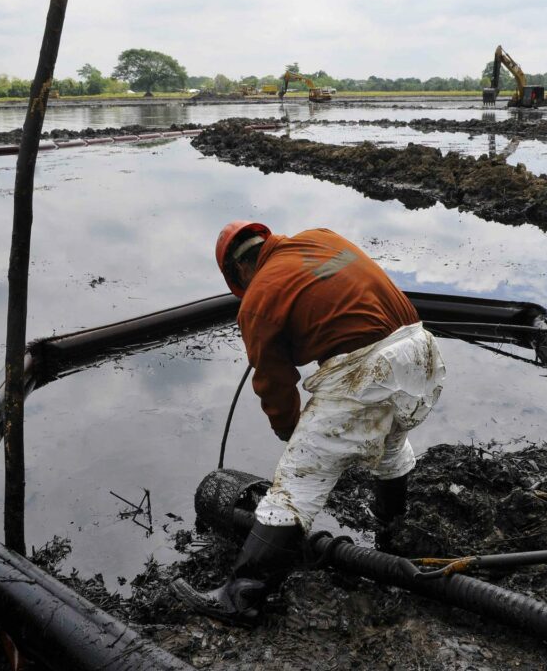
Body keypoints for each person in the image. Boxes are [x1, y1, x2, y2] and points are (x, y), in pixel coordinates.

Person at [172, 222, 445, 626]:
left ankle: (239, 598)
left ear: (238, 271)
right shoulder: (321, 238)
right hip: (422, 354)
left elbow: (274, 384)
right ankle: (392, 534)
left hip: (368, 369)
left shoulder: (259, 299)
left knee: (296, 484)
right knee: (390, 444)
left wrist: (291, 433)